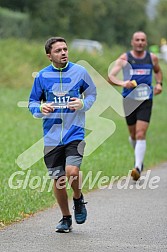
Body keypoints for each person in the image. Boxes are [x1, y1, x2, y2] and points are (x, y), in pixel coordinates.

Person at [28, 37, 96, 232]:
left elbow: (92, 94)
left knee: (72, 172)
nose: (64, 52)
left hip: (75, 132)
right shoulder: (41, 77)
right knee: (58, 180)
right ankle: (65, 218)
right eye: (58, 50)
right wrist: (41, 107)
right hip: (51, 136)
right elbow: (32, 103)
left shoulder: (80, 72)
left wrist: (83, 104)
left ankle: (78, 198)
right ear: (49, 56)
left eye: (65, 49)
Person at [108, 31, 163, 181]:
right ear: (132, 42)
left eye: (142, 40)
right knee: (133, 135)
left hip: (146, 99)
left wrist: (159, 84)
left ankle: (138, 167)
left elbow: (158, 72)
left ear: (145, 43)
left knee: (140, 134)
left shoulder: (152, 58)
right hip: (129, 100)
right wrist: (122, 83)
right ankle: (138, 158)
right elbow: (111, 76)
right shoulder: (125, 58)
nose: (139, 42)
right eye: (137, 40)